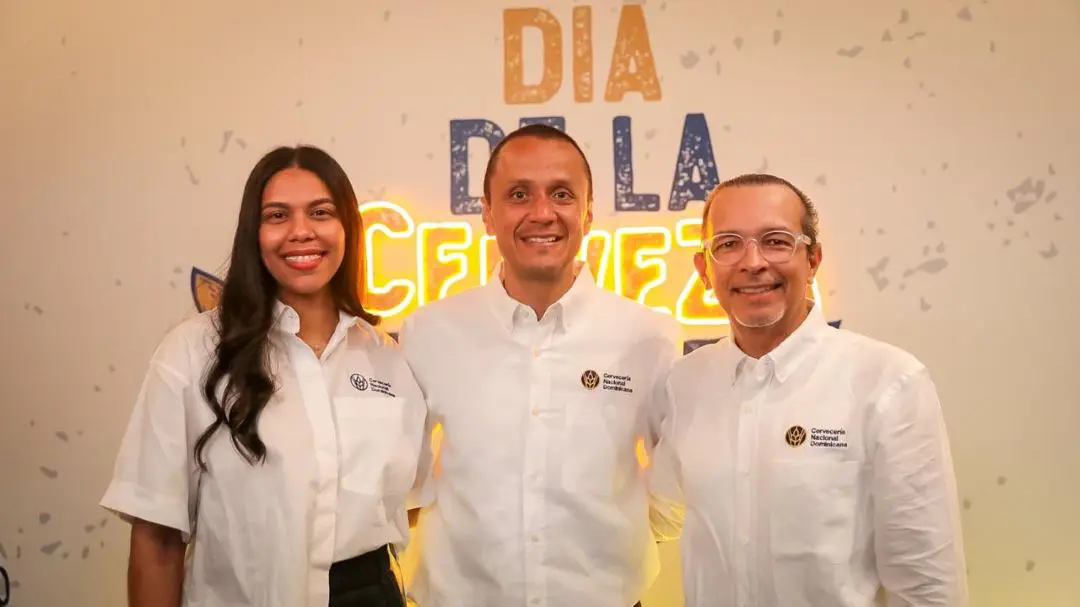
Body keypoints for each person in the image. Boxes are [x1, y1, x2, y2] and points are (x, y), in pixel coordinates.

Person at [99, 145, 427, 607]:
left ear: (348, 228)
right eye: (277, 215)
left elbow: (407, 508)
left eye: (321, 212)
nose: (301, 232)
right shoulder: (194, 353)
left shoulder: (387, 359)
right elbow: (156, 539)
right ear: (254, 234)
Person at [648, 173, 970, 606]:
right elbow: (657, 514)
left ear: (813, 259)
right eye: (728, 244)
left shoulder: (888, 382)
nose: (753, 262)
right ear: (704, 270)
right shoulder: (685, 382)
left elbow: (927, 584)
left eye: (776, 241)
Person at [397, 124, 682, 607]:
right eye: (518, 194)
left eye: (562, 194)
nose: (542, 212)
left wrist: (613, 538)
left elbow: (675, 477)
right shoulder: (429, 331)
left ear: (588, 213)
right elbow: (406, 483)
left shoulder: (648, 335)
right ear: (487, 213)